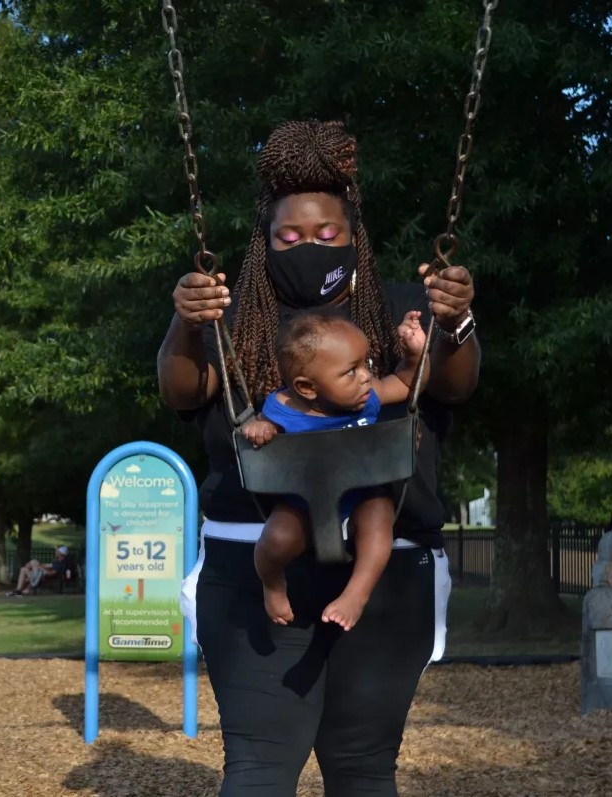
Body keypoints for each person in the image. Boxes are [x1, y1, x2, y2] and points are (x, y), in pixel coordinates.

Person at [157, 120, 479, 796]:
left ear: (353, 235)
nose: (308, 247)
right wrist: (185, 321)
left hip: (386, 568)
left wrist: (453, 324)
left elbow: (452, 382)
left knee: (363, 767)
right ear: (265, 242)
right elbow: (183, 389)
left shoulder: (400, 310)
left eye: (327, 234)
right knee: (260, 766)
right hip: (252, 561)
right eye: (290, 237)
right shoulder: (231, 318)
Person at [242, 311, 430, 629]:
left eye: (365, 364)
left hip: (362, 496)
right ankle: (272, 585)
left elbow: (404, 383)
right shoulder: (282, 408)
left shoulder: (367, 398)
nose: (366, 377)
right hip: (303, 502)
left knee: (379, 519)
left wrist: (415, 357)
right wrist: (260, 428)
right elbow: (262, 425)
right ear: (307, 387)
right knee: (275, 539)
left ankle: (357, 593)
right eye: (351, 371)